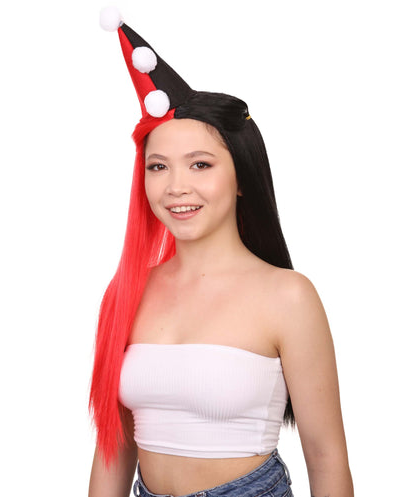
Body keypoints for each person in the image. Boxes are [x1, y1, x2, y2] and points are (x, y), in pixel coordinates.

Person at [89, 7, 354, 497]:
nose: (176, 187)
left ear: (241, 178)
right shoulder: (129, 290)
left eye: (200, 165)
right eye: (158, 166)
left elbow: (326, 457)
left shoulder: (288, 296)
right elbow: (114, 446)